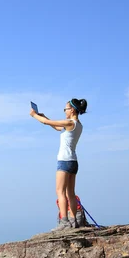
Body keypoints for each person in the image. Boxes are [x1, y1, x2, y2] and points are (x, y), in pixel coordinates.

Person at [30, 98, 88, 230]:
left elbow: (46, 123)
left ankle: (64, 222)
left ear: (72, 110)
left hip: (64, 161)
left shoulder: (69, 122)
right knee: (71, 193)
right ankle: (74, 221)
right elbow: (56, 127)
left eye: (65, 109)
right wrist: (44, 116)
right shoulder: (78, 125)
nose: (65, 111)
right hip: (73, 162)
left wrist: (34, 115)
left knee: (60, 192)